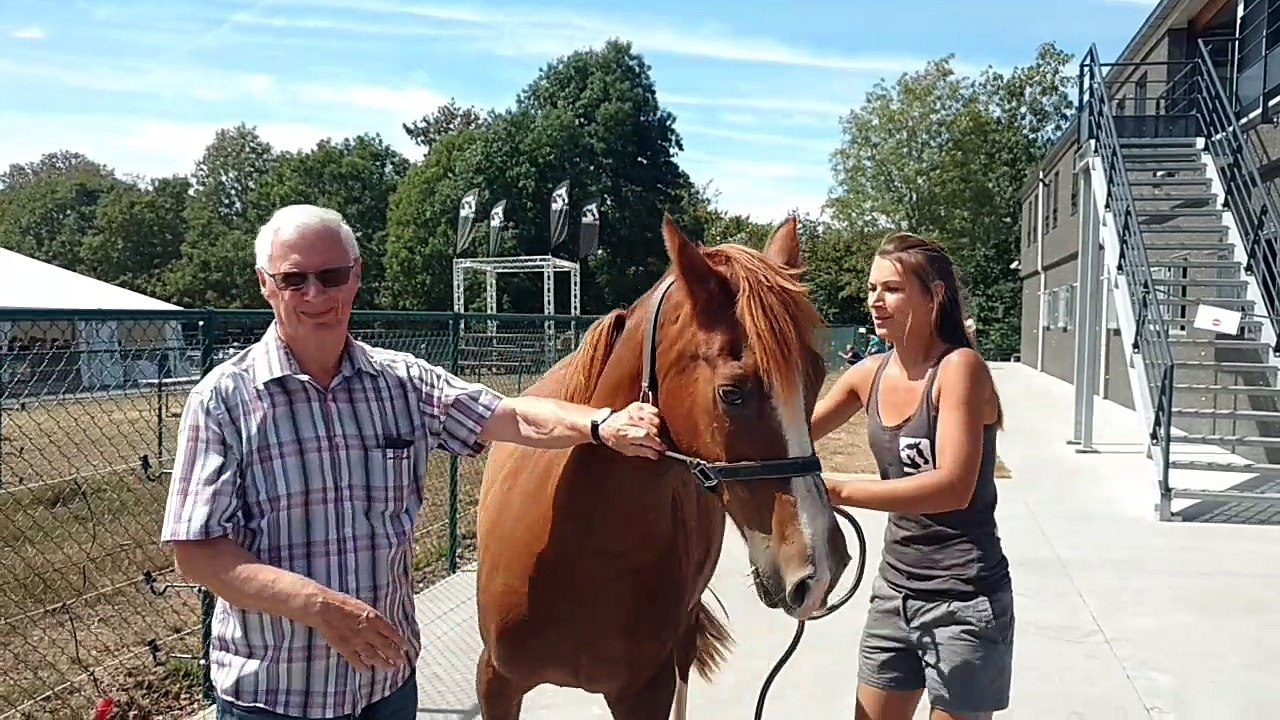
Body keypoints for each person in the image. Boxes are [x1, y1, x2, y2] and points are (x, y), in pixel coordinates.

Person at [159, 204, 666, 720]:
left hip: (386, 688)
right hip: (277, 695)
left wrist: (601, 425)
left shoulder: (403, 384)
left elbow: (512, 418)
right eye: (294, 280)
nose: (316, 294)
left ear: (355, 277)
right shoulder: (222, 400)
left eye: (331, 275)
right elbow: (197, 553)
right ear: (265, 284)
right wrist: (317, 606)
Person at [810, 232, 1013, 720]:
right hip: (894, 593)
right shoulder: (868, 375)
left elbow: (953, 486)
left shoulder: (959, 369)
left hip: (964, 602)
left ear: (932, 296)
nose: (875, 302)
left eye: (892, 289)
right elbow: (788, 439)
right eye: (871, 289)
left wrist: (840, 491)